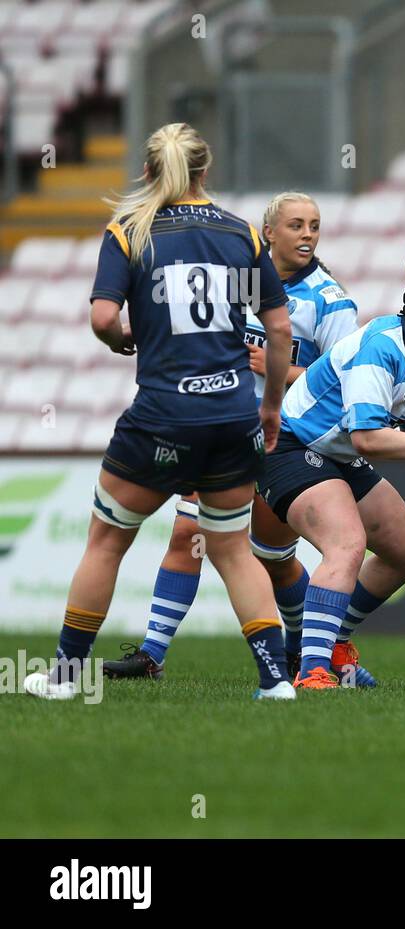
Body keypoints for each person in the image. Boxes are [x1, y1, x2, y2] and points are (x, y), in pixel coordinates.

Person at [23, 122, 297, 701]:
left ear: (148, 171)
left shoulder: (130, 231)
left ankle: (68, 677)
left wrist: (121, 338)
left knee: (106, 541)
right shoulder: (241, 235)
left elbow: (102, 318)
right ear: (205, 170)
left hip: (162, 418)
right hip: (231, 417)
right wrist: (269, 407)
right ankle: (276, 681)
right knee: (230, 548)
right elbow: (277, 329)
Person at [104, 191, 363, 683]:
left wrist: (280, 370)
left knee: (275, 560)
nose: (307, 234)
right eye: (296, 225)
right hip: (220, 424)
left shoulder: (331, 302)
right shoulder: (236, 282)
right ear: (269, 233)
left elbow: (348, 382)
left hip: (282, 441)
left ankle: (302, 651)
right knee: (188, 533)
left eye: (314, 225)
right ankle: (151, 655)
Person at [261, 238, 405, 689]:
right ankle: (312, 672)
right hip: (290, 448)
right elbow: (369, 439)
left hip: (335, 454)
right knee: (347, 544)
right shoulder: (382, 347)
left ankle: (333, 642)